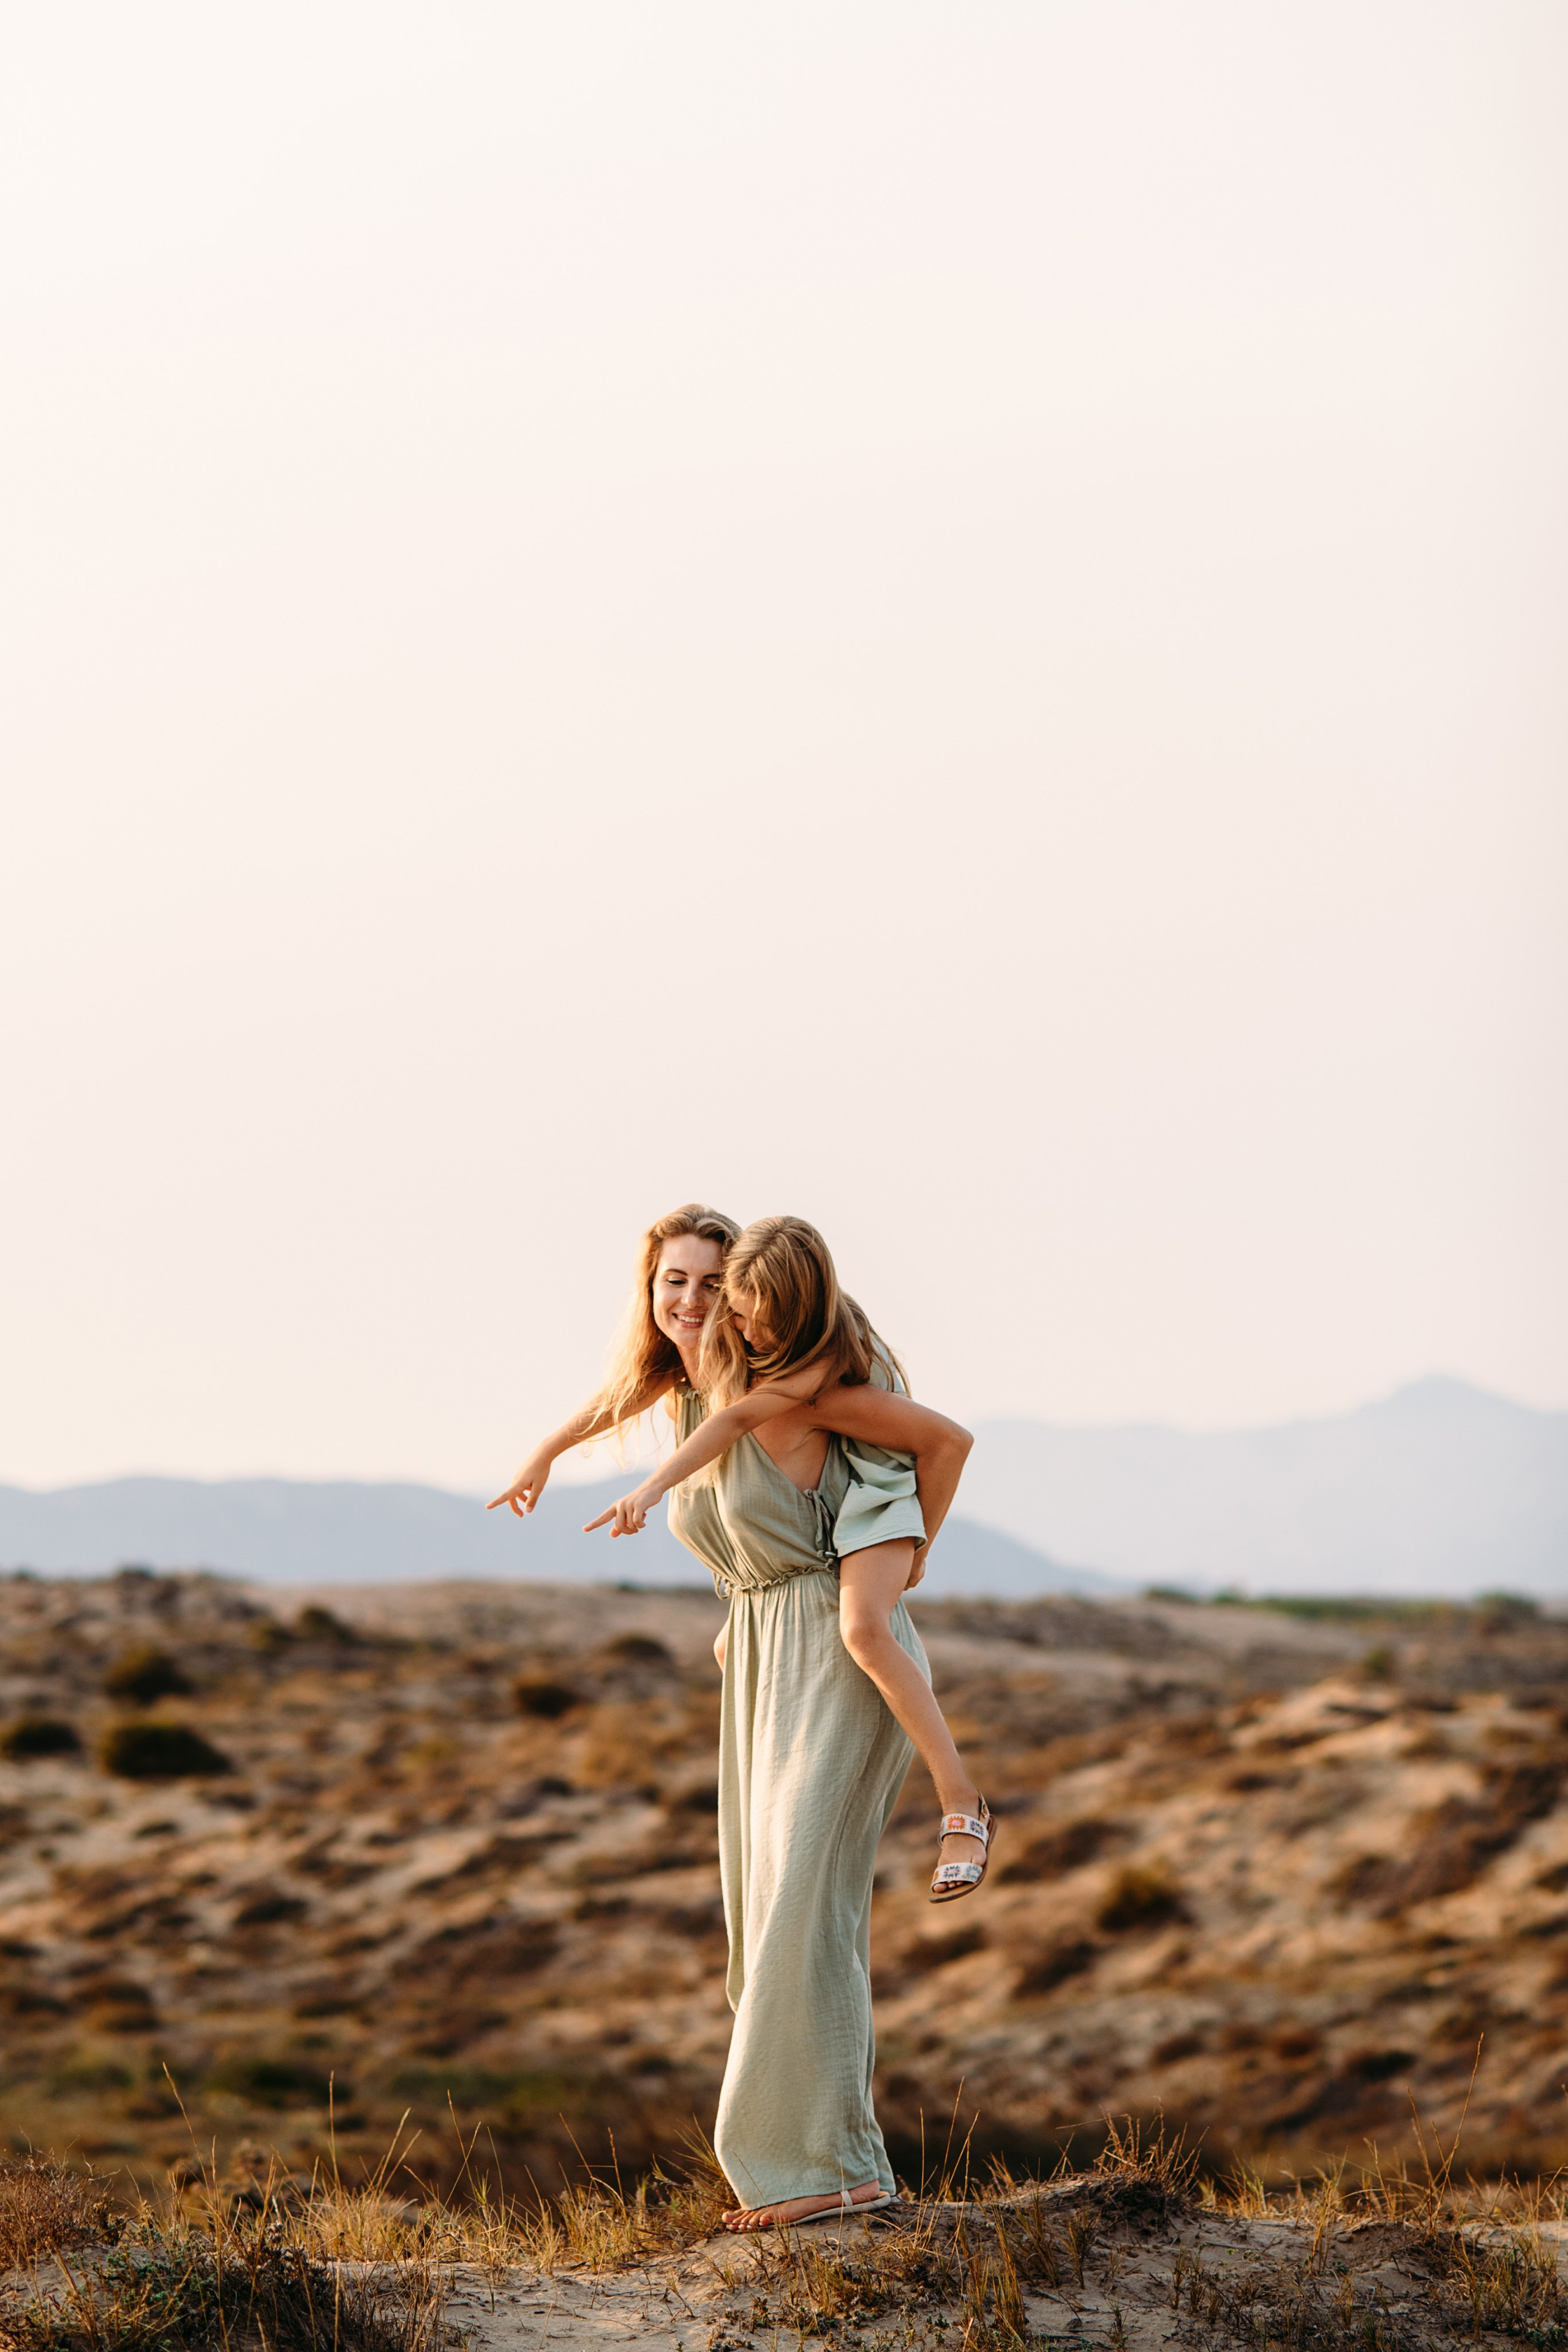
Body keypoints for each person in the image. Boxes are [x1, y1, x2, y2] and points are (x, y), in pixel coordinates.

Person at [491, 1208, 993, 2232]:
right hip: (761, 1668)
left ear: (755, 1298)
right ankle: (838, 2163)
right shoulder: (687, 1395)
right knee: (768, 1924)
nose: (689, 1302)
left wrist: (916, 1554)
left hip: (838, 1656)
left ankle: (822, 2169)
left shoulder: (812, 1392)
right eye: (670, 1283)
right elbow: (619, 1398)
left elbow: (939, 1444)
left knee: (806, 1907)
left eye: (711, 1285)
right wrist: (545, 1454)